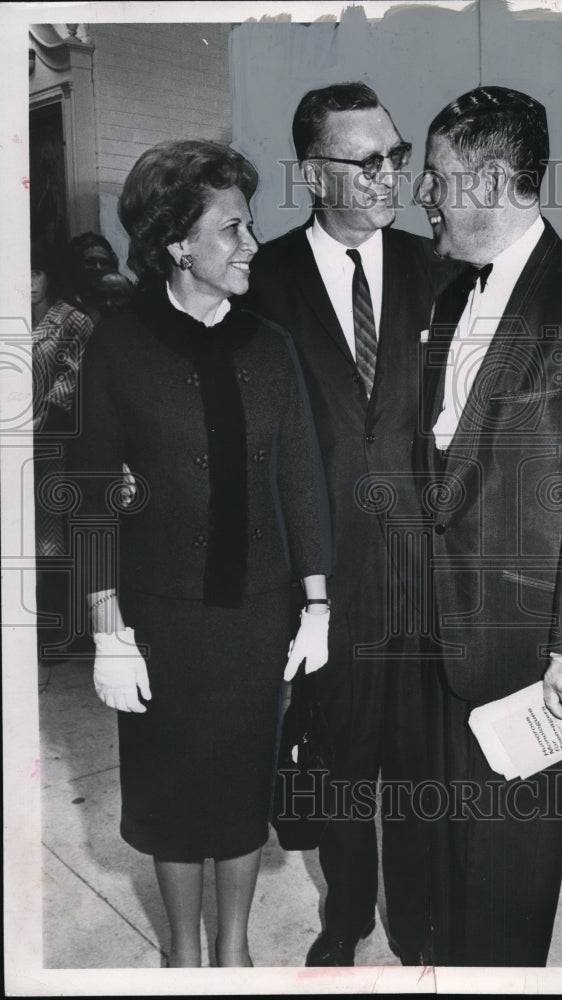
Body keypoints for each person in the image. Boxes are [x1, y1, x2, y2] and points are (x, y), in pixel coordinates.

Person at [68, 139, 331, 968]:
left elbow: (302, 483)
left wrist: (318, 605)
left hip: (259, 614)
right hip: (159, 617)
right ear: (178, 243)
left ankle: (235, 948)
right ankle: (184, 954)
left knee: (245, 782)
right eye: (233, 229)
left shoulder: (270, 347)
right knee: (172, 788)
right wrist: (107, 628)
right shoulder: (120, 343)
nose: (251, 244)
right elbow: (90, 493)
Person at [414, 86, 562, 966]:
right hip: (439, 633)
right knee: (453, 858)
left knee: (511, 868)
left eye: (437, 178)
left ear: (489, 181)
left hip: (534, 648)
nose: (424, 196)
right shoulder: (446, 304)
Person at [246, 81, 457, 966]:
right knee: (334, 758)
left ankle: (415, 920)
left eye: (397, 157)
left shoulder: (438, 271)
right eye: (366, 161)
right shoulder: (263, 280)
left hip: (425, 575)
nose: (389, 178)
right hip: (324, 576)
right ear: (312, 174)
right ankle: (346, 916)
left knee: (420, 763)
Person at [31, 240, 93, 660]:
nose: (28, 283)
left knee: (52, 541)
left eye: (35, 272)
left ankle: (60, 632)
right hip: (12, 443)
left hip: (52, 443)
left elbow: (71, 385)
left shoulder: (72, 321)